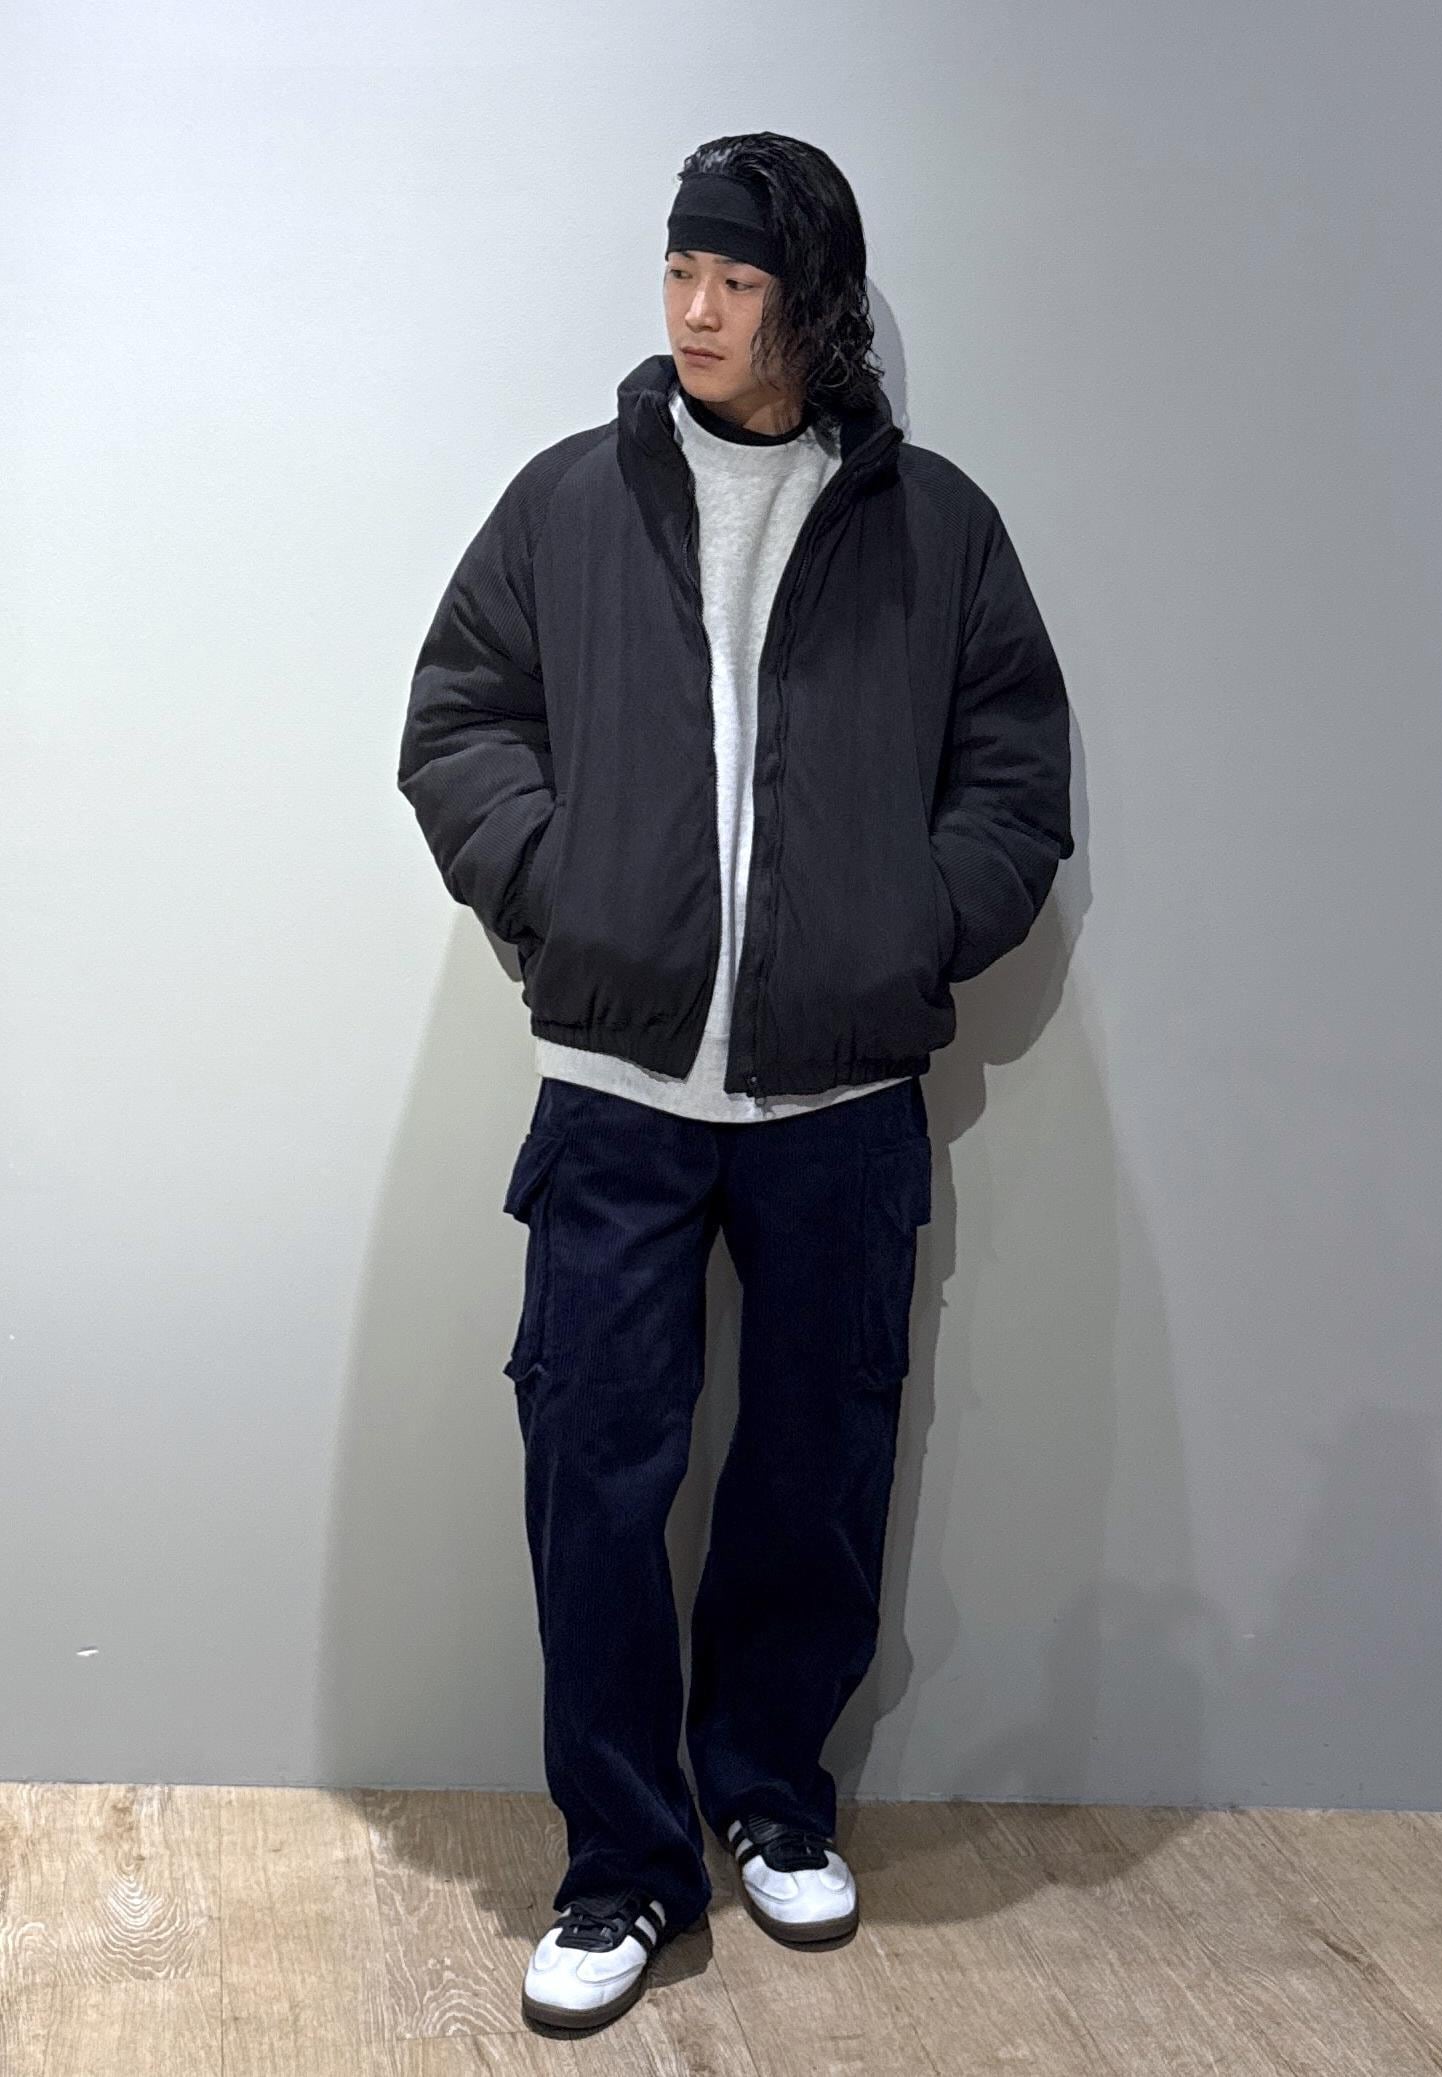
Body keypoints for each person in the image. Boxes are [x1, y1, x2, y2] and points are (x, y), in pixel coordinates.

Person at [397, 130, 1074, 2034]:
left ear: (814, 303)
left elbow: (1015, 776)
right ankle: (619, 1866)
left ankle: (774, 1793)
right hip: (615, 1092)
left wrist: (900, 930)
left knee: (813, 1470)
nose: (695, 310)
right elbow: (457, 721)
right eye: (679, 272)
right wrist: (570, 895)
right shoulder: (569, 501)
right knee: (592, 1481)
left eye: (739, 280)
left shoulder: (935, 529)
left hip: (838, 1101)